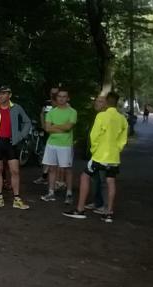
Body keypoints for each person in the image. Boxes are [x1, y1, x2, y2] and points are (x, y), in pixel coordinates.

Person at [63, 92, 128, 224]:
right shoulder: (122, 119)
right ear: (117, 103)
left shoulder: (102, 116)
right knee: (111, 181)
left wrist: (94, 150)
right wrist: (117, 149)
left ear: (107, 102)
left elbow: (94, 136)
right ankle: (108, 213)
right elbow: (123, 139)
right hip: (114, 156)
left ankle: (80, 209)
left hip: (100, 155)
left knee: (85, 176)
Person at [0, 85, 32, 210]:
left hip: (11, 142)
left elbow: (27, 122)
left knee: (15, 171)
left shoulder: (16, 108)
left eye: (4, 93)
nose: (1, 96)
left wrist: (20, 136)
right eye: (0, 93)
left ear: (9, 95)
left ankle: (17, 199)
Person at [40, 88, 77, 204]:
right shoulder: (51, 112)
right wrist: (62, 127)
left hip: (65, 145)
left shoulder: (72, 112)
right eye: (59, 96)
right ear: (56, 98)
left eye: (64, 96)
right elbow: (47, 128)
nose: (61, 99)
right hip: (51, 144)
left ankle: (69, 193)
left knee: (67, 169)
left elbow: (68, 127)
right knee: (52, 168)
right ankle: (51, 192)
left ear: (68, 98)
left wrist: (54, 126)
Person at [34, 85, 60, 185]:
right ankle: (44, 176)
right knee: (46, 154)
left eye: (55, 93)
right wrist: (43, 125)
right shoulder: (47, 103)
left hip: (57, 133)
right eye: (52, 93)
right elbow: (42, 114)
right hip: (46, 132)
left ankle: (56, 180)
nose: (53, 95)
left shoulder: (61, 104)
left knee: (56, 156)